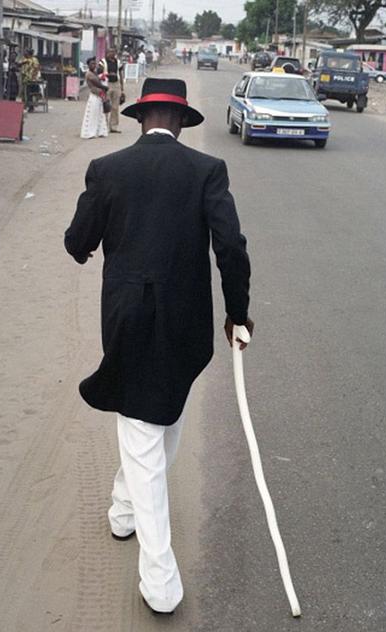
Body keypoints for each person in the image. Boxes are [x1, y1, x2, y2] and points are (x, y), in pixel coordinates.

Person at [64, 77, 253, 615]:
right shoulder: (205, 171)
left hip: (128, 320)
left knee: (149, 430)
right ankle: (129, 517)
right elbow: (232, 248)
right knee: (157, 423)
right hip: (188, 325)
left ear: (143, 117)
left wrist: (103, 231)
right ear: (179, 121)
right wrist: (238, 314)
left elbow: (77, 244)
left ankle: (160, 579)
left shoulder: (108, 169)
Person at [80, 57, 109, 139]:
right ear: (88, 65)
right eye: (92, 64)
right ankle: (90, 132)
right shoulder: (89, 74)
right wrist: (105, 87)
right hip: (94, 95)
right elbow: (97, 83)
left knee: (99, 113)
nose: (94, 65)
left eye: (94, 64)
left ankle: (99, 131)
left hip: (99, 95)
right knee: (93, 114)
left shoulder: (95, 73)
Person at [101, 48, 125, 133]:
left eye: (113, 52)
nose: (112, 53)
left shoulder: (118, 62)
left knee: (115, 107)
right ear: (107, 53)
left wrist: (122, 88)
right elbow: (99, 73)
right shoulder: (102, 62)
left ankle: (113, 127)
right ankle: (104, 126)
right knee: (106, 106)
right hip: (107, 85)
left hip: (116, 84)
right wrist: (108, 74)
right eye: (110, 52)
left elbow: (121, 75)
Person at [20, 48, 41, 112]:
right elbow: (21, 66)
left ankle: (31, 107)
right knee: (24, 93)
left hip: (31, 79)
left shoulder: (34, 60)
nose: (24, 53)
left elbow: (36, 69)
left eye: (25, 52)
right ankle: (24, 106)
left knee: (30, 93)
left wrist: (34, 77)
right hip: (25, 79)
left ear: (28, 53)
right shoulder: (24, 59)